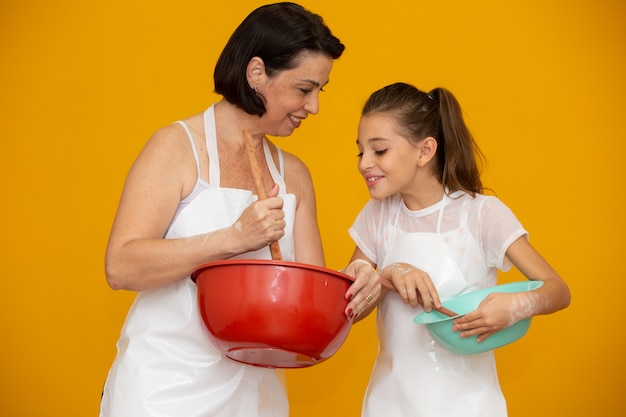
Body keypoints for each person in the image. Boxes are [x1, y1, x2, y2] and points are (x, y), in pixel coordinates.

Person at [99, 4, 374, 416]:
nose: (314, 106)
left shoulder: (294, 176)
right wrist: (232, 239)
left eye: (321, 90)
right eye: (304, 89)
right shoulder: (176, 148)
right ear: (256, 72)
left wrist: (355, 290)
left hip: (255, 395)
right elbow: (120, 266)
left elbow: (308, 313)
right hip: (161, 389)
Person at [346, 82, 571, 417]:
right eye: (360, 151)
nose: (365, 163)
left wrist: (514, 306)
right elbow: (350, 308)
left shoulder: (482, 215)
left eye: (379, 151)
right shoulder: (378, 217)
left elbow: (558, 291)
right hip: (389, 403)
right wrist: (388, 276)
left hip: (468, 405)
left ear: (425, 151)